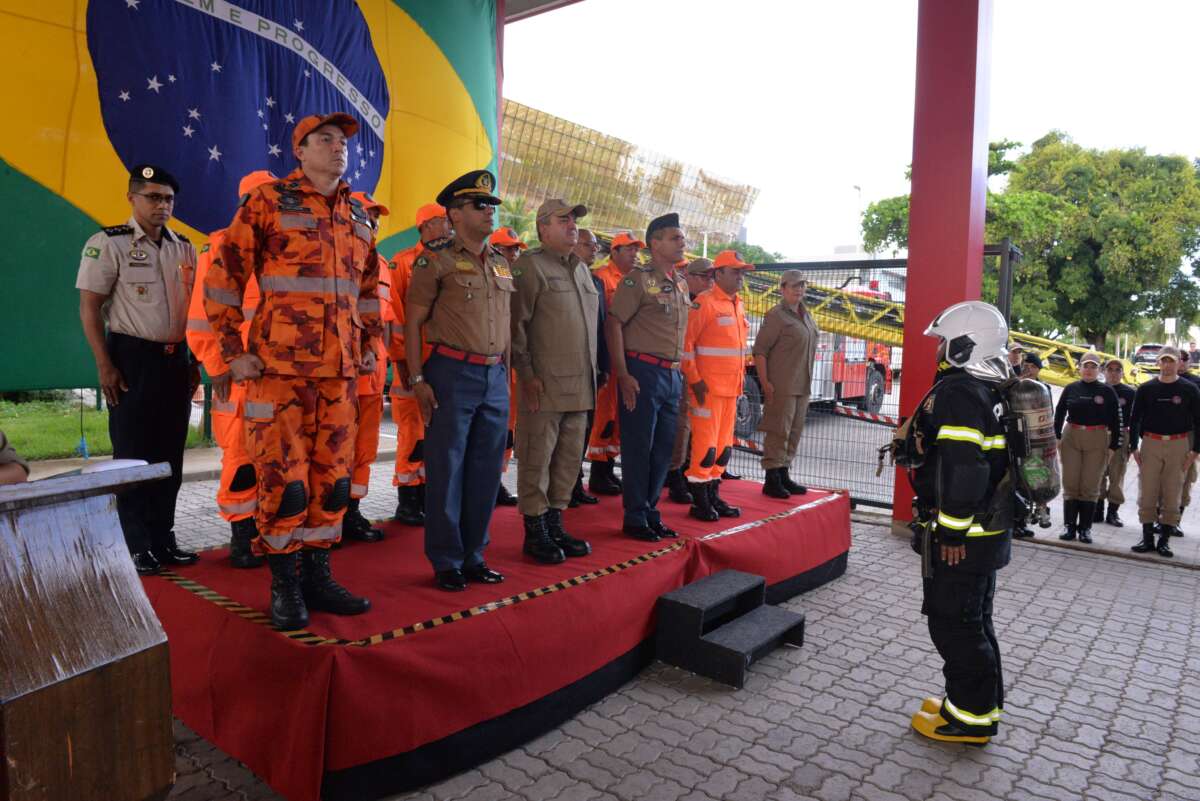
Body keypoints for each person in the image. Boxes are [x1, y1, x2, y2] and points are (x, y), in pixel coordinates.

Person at [205, 113, 379, 629]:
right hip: (279, 372)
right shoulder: (267, 202)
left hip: (341, 375)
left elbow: (367, 292)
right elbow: (224, 277)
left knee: (333, 484)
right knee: (287, 484)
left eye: (342, 140)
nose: (337, 147)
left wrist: (369, 343)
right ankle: (284, 586)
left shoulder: (360, 216)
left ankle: (317, 577)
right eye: (323, 139)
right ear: (298, 151)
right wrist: (233, 350)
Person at [77, 164, 200, 576]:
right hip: (132, 359)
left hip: (176, 360)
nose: (162, 205)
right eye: (153, 197)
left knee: (171, 456)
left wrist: (195, 361)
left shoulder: (184, 248)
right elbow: (90, 307)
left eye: (167, 198)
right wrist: (104, 364)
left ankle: (164, 539)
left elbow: (196, 311)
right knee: (132, 456)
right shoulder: (108, 243)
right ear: (132, 198)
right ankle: (134, 544)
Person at [907, 301, 1014, 747]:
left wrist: (951, 530)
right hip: (986, 530)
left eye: (943, 343)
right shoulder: (990, 387)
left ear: (965, 345)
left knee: (954, 623)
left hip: (964, 535)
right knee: (975, 618)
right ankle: (972, 704)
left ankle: (969, 720)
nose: (938, 352)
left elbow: (963, 468)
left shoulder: (959, 392)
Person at [405, 169, 512, 591]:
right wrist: (416, 378)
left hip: (494, 375)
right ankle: (447, 559)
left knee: (487, 471)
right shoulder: (436, 259)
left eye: (490, 206)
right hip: (450, 372)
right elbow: (413, 323)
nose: (488, 212)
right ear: (454, 213)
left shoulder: (502, 264)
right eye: (478, 205)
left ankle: (474, 554)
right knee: (447, 468)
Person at [185, 170, 276, 568]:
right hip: (238, 379)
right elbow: (199, 318)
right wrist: (218, 366)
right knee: (240, 456)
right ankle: (242, 534)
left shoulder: (289, 248)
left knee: (278, 457)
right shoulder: (219, 249)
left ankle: (271, 531)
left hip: (281, 379)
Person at [510, 199, 598, 563]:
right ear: (542, 227)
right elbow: (515, 327)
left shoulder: (581, 270)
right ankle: (535, 531)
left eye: (575, 221)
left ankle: (555, 522)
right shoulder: (530, 267)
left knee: (566, 464)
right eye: (564, 220)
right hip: (543, 388)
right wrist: (526, 375)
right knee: (536, 460)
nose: (572, 226)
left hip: (580, 388)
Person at [605, 214, 689, 541]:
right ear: (655, 243)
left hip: (672, 375)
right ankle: (635, 516)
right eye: (674, 238)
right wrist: (623, 374)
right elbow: (613, 324)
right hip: (642, 373)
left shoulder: (680, 282)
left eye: (681, 238)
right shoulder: (638, 280)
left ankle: (651, 510)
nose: (681, 242)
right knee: (640, 446)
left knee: (664, 450)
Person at [386, 203, 450, 526]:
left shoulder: (451, 261)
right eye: (442, 222)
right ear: (425, 226)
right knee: (411, 432)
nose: (448, 227)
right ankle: (407, 501)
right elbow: (395, 320)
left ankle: (425, 495)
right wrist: (403, 363)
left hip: (442, 365)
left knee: (433, 434)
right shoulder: (402, 264)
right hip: (411, 367)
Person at [681, 250, 753, 520]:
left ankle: (713, 496)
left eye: (742, 272)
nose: (740, 277)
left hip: (731, 391)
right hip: (707, 391)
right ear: (718, 274)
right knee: (706, 448)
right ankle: (700, 502)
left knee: (723, 449)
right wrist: (695, 380)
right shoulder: (704, 303)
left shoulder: (737, 304)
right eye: (735, 272)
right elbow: (686, 348)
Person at [342, 191, 394, 544]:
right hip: (343, 378)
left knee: (364, 449)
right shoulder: (338, 256)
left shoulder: (384, 265)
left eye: (375, 216)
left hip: (373, 379)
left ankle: (353, 513)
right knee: (337, 452)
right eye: (366, 215)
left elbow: (388, 323)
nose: (372, 222)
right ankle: (331, 516)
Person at [587, 231, 645, 495]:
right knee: (604, 416)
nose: (635, 254)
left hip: (625, 356)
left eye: (636, 249)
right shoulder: (601, 276)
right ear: (615, 252)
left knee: (619, 416)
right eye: (629, 249)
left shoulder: (634, 281)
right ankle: (598, 472)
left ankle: (608, 468)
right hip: (606, 357)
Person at [1128, 346, 1200, 557]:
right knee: (1148, 490)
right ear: (1158, 363)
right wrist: (1134, 447)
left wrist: (1195, 452)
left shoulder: (1190, 389)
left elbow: (1198, 421)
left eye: (1172, 361)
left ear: (1179, 362)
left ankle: (1165, 541)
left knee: (1172, 491)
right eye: (1164, 361)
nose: (1167, 365)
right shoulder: (1146, 389)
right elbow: (1135, 419)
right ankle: (1147, 538)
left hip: (1179, 444)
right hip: (1151, 442)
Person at [753, 269, 818, 500]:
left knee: (794, 432)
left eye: (802, 285)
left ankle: (784, 473)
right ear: (782, 289)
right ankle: (772, 478)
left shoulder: (806, 314)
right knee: (778, 431)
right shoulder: (776, 316)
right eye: (793, 285)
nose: (799, 289)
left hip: (803, 384)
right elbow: (760, 351)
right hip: (781, 385)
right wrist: (765, 382)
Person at [1052, 352, 1120, 545]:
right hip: (1072, 435)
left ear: (1099, 370)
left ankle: (1085, 529)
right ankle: (1069, 527)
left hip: (1097, 438)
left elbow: (1117, 419)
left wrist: (1114, 445)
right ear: (1079, 368)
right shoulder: (1071, 388)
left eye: (1093, 367)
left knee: (1090, 484)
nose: (1089, 370)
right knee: (1071, 482)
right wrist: (1057, 435)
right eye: (1085, 366)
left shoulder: (1107, 391)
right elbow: (1059, 412)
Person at [665, 258, 715, 504]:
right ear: (691, 277)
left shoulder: (712, 303)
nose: (710, 282)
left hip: (707, 376)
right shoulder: (685, 302)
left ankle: (687, 470)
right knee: (682, 425)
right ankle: (674, 474)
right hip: (684, 374)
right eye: (705, 277)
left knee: (700, 428)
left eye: (712, 277)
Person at [489, 226, 528, 508]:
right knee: (491, 428)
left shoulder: (517, 277)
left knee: (508, 429)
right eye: (507, 248)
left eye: (515, 249)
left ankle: (496, 481)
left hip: (513, 365)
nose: (513, 254)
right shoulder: (490, 273)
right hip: (494, 362)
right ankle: (485, 482)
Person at [568, 228, 608, 508]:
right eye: (587, 244)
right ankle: (563, 486)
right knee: (566, 432)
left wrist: (603, 365)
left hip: (592, 369)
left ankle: (573, 482)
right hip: (568, 366)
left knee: (584, 427)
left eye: (595, 245)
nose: (594, 249)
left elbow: (602, 327)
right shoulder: (563, 276)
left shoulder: (596, 282)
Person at [1097, 358, 1135, 527]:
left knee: (1116, 474)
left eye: (1117, 370)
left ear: (1122, 373)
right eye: (1110, 369)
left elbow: (1136, 420)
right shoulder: (1098, 390)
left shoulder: (1130, 393)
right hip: (1099, 435)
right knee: (1097, 473)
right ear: (1104, 372)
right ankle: (1097, 510)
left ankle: (1113, 512)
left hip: (1121, 436)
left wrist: (1134, 444)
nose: (1113, 373)